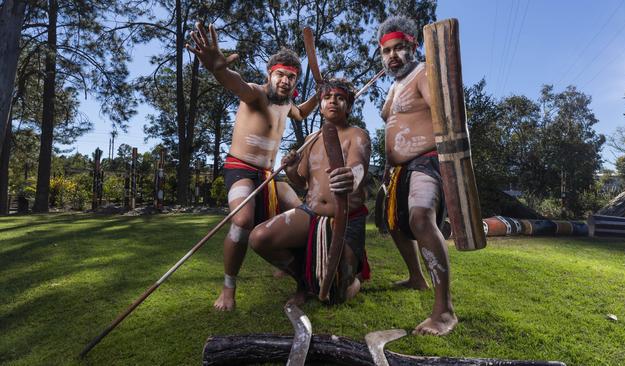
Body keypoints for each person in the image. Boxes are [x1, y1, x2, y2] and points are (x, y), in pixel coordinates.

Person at [186, 23, 319, 311]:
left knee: (301, 212)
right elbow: (234, 82)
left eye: (292, 77)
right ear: (269, 75)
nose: (285, 81)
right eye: (281, 75)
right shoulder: (256, 94)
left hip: (270, 176)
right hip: (241, 169)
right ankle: (228, 289)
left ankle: (293, 266)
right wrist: (218, 69)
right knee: (243, 220)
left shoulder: (287, 106)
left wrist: (322, 95)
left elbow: (303, 111)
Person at [249, 78, 371, 305]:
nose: (333, 101)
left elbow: (359, 167)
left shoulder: (357, 135)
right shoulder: (310, 139)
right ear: (321, 104)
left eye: (340, 98)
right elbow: (301, 182)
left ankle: (353, 279)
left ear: (349, 106)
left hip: (346, 217)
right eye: (327, 97)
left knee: (335, 295)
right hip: (310, 213)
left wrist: (350, 177)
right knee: (259, 237)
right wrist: (292, 167)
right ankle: (304, 282)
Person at [378, 16, 458, 335]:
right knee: (393, 223)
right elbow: (390, 117)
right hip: (398, 169)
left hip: (426, 160)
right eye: (386, 51)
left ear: (413, 47)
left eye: (399, 48)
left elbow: (446, 113)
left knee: (421, 219)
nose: (393, 56)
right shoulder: (396, 84)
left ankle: (444, 312)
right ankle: (416, 277)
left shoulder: (424, 73)